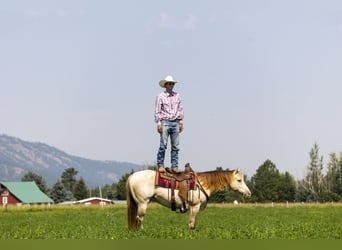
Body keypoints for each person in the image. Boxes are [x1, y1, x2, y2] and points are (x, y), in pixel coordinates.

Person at [155, 75, 184, 173]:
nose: (171, 85)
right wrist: (158, 123)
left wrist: (181, 122)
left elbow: (180, 109)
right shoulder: (160, 96)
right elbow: (157, 110)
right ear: (166, 85)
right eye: (169, 84)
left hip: (175, 122)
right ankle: (160, 165)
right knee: (163, 145)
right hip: (165, 122)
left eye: (172, 84)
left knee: (175, 146)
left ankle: (174, 166)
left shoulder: (177, 96)